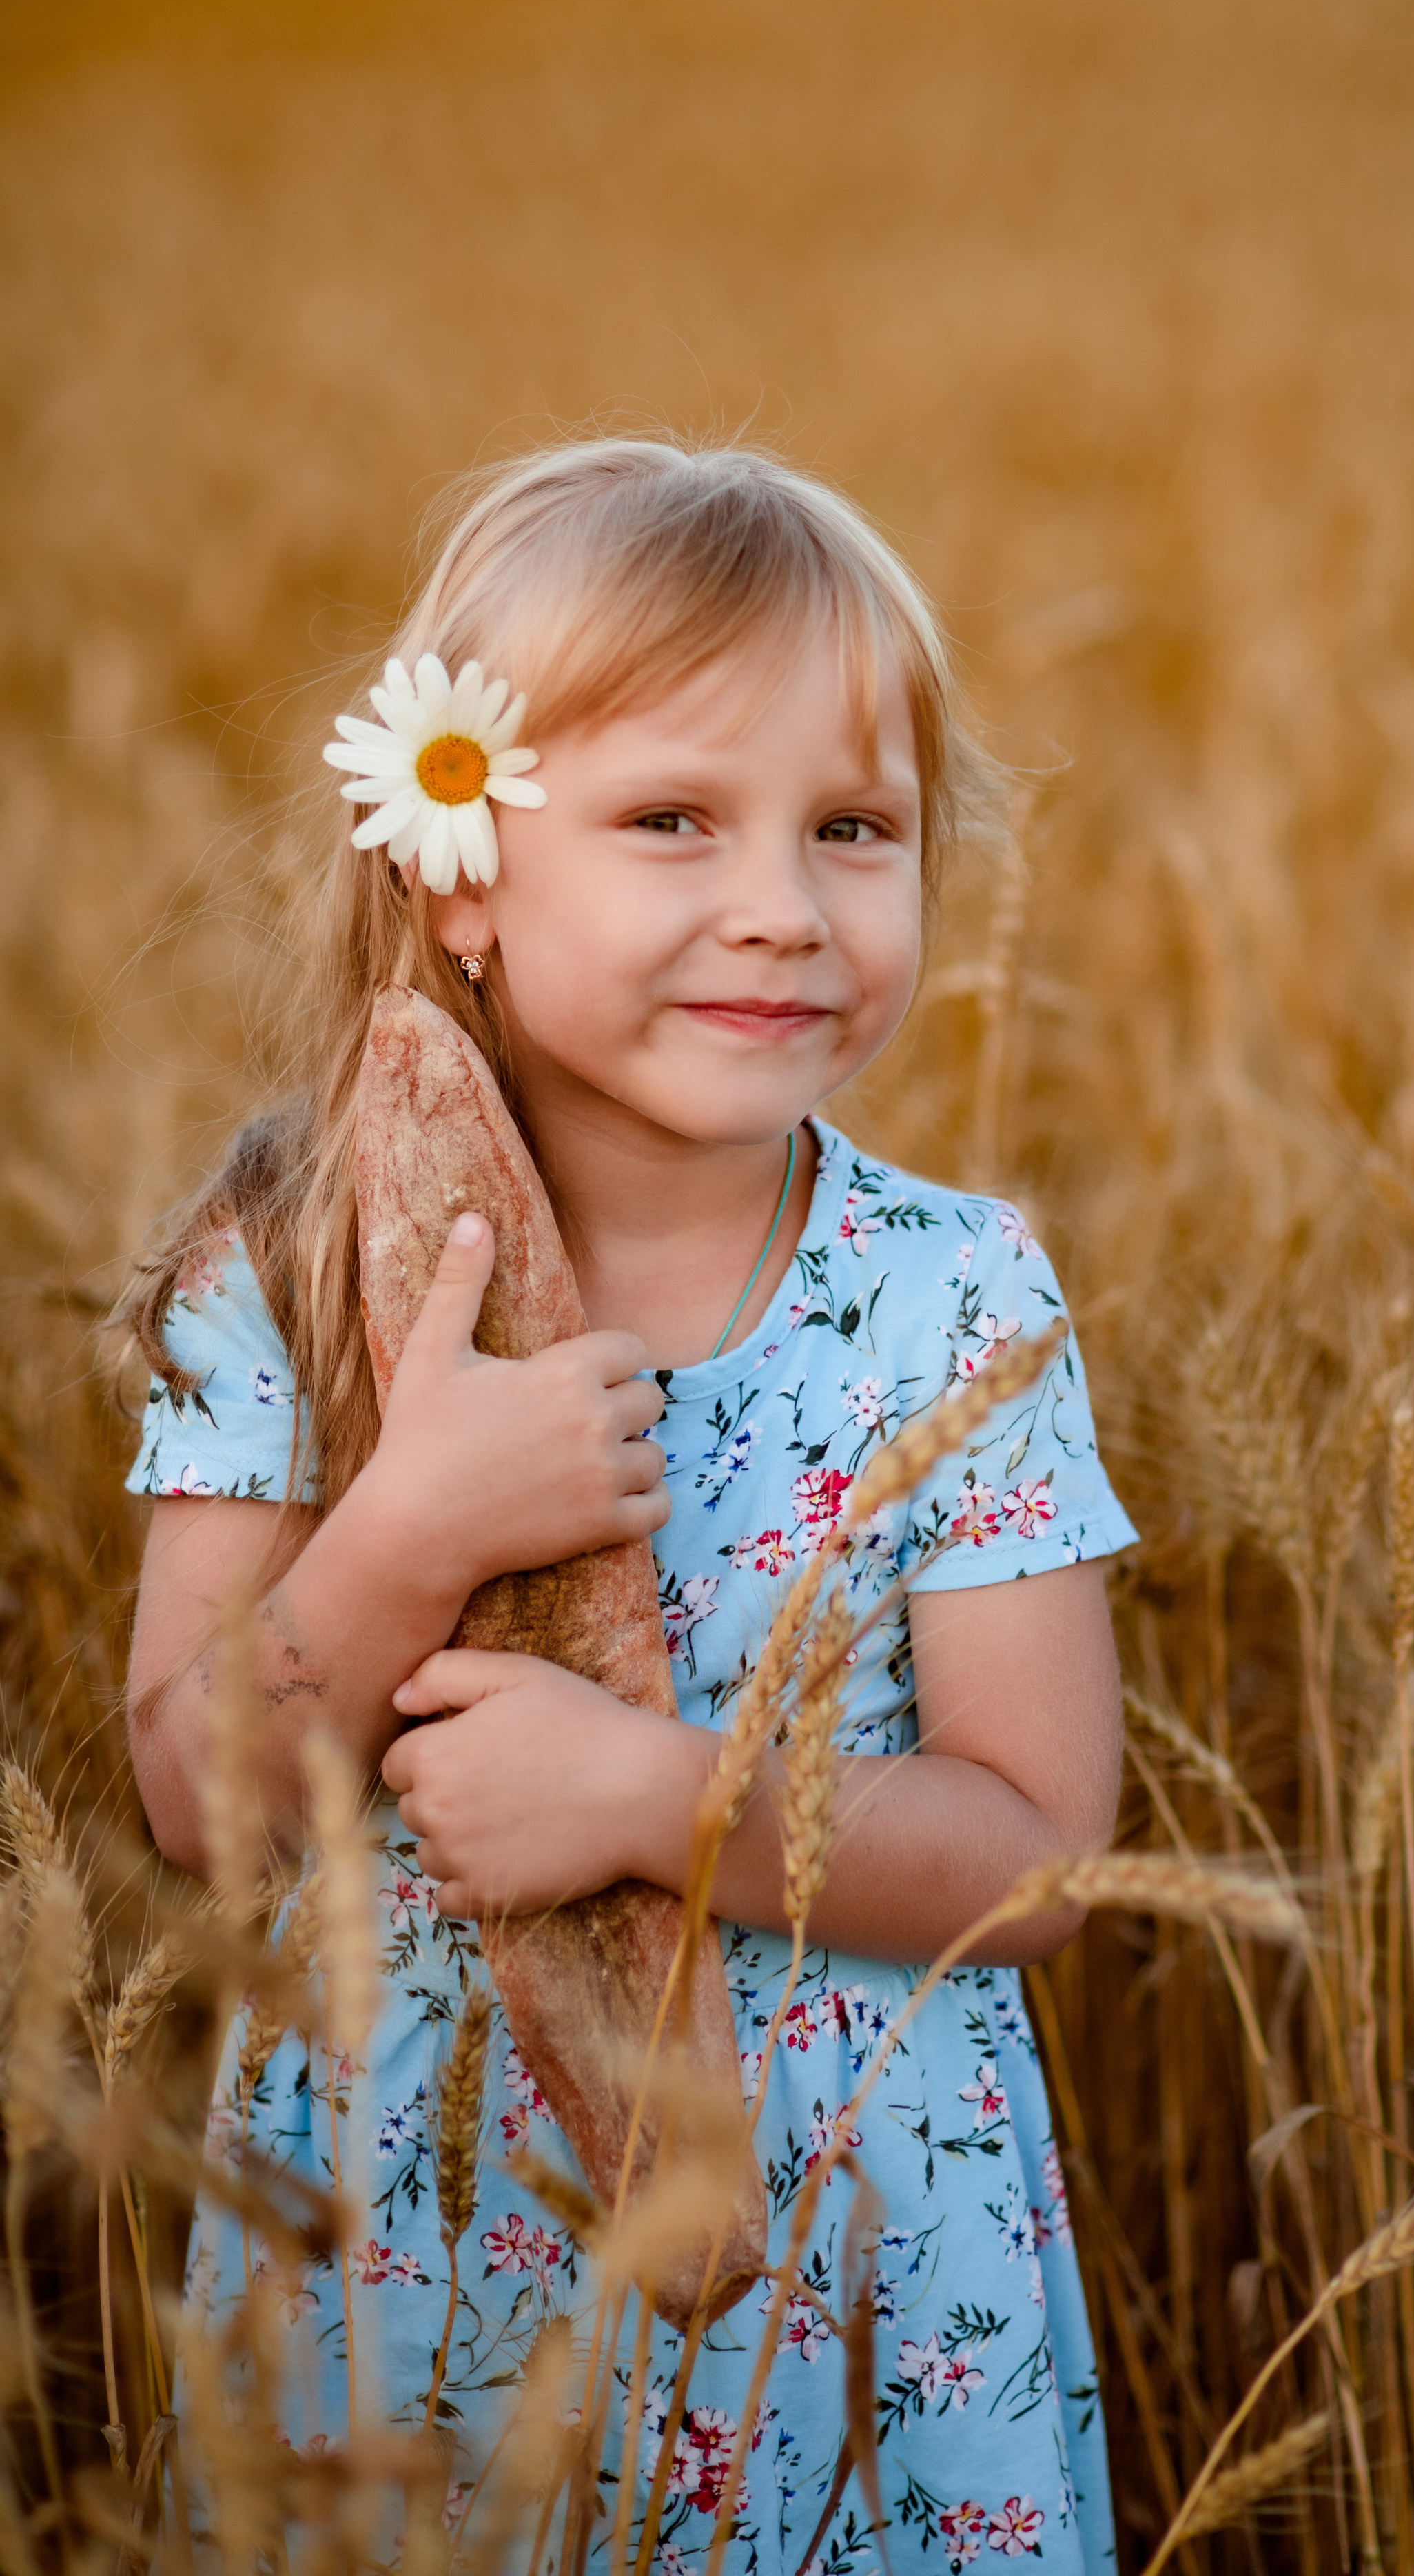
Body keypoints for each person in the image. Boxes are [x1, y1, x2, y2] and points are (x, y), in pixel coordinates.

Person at [122, 438, 1136, 2571]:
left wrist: (650, 1798)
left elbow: (1040, 1854)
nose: (783, 903)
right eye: (674, 819)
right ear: (464, 870)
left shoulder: (954, 1301)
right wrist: (415, 1524)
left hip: (846, 2256)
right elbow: (203, 1798)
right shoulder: (284, 1269)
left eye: (854, 827)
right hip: (418, 2229)